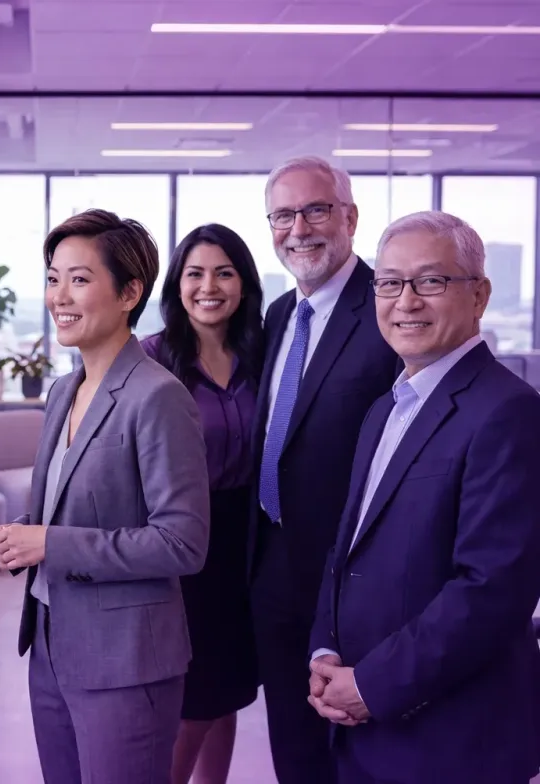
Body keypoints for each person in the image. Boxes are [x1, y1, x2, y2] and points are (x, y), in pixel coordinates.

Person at [308, 211, 540, 784]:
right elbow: (348, 550)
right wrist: (324, 652)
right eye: (389, 282)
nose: (405, 300)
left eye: (431, 281)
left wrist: (371, 685)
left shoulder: (509, 412)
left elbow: (491, 590)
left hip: (451, 740)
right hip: (364, 723)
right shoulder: (385, 409)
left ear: (479, 295)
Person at [0, 209, 211, 784]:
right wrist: (23, 534)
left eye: (80, 279)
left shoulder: (158, 396)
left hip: (126, 660)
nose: (59, 295)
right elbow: (68, 508)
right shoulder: (65, 390)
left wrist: (52, 543)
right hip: (51, 641)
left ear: (130, 292)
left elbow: (182, 543)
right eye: (53, 277)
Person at [251, 156, 400, 784]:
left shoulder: (391, 310)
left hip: (356, 576)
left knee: (361, 748)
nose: (299, 229)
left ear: (350, 217)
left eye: (316, 210)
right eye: (283, 215)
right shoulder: (281, 315)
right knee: (292, 738)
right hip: (273, 564)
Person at [141, 224, 263, 784]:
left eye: (224, 272)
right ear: (177, 284)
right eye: (195, 273)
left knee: (229, 689)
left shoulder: (262, 353)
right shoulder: (152, 360)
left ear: (243, 283)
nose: (208, 286)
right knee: (193, 697)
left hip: (249, 541)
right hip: (185, 540)